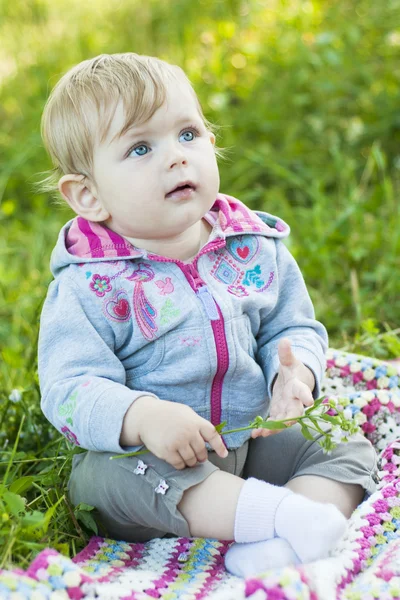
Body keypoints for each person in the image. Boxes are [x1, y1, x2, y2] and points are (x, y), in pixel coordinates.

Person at [38, 53, 377, 577]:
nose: (175, 157)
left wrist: (296, 374)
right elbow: (70, 386)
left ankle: (293, 537)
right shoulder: (89, 286)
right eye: (140, 147)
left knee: (341, 440)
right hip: (161, 463)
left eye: (188, 134)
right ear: (88, 195)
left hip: (255, 433)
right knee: (102, 480)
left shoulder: (251, 247)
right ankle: (277, 516)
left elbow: (293, 327)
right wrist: (143, 418)